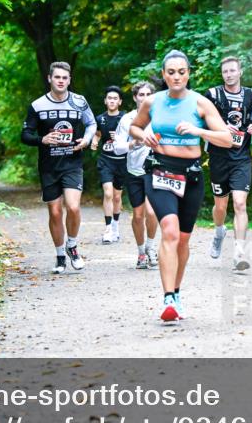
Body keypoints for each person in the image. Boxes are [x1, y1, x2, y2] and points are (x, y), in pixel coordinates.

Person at [129, 50, 233, 321]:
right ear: (164, 75)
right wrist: (145, 136)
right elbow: (135, 128)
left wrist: (199, 132)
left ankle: (176, 292)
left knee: (184, 240)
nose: (176, 77)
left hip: (191, 176)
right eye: (171, 72)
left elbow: (227, 139)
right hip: (160, 172)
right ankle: (167, 300)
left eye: (181, 72)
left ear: (188, 74)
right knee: (170, 231)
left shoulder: (200, 103)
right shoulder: (152, 102)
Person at [21, 61, 97, 274]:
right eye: (57, 77)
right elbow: (25, 135)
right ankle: (60, 256)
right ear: (50, 79)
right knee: (55, 212)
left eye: (65, 78)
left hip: (72, 163)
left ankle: (72, 246)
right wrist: (42, 139)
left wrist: (87, 139)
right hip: (49, 166)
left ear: (69, 80)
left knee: (73, 207)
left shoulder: (79, 102)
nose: (61, 81)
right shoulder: (38, 106)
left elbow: (91, 123)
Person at [204, 56, 252, 271]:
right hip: (218, 157)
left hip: (241, 157)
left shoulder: (251, 95)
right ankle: (219, 231)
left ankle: (239, 253)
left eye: (232, 71)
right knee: (221, 206)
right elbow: (200, 118)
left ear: (240, 72)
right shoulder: (213, 94)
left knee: (239, 203)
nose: (228, 75)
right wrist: (219, 128)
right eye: (225, 72)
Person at [113, 81, 160, 269]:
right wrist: (133, 144)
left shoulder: (159, 117)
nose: (145, 97)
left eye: (149, 94)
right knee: (138, 215)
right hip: (134, 172)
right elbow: (117, 148)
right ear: (135, 97)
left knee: (151, 212)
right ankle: (141, 252)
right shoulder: (127, 119)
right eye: (141, 94)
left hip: (155, 170)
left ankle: (151, 247)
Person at [91, 86, 128, 244]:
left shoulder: (126, 118)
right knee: (108, 194)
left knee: (117, 197)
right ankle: (107, 229)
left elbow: (134, 136)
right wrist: (94, 140)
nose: (112, 101)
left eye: (115, 98)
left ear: (119, 101)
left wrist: (119, 137)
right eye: (109, 98)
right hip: (106, 161)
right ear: (105, 101)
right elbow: (98, 133)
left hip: (122, 161)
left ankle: (116, 226)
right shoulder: (100, 118)